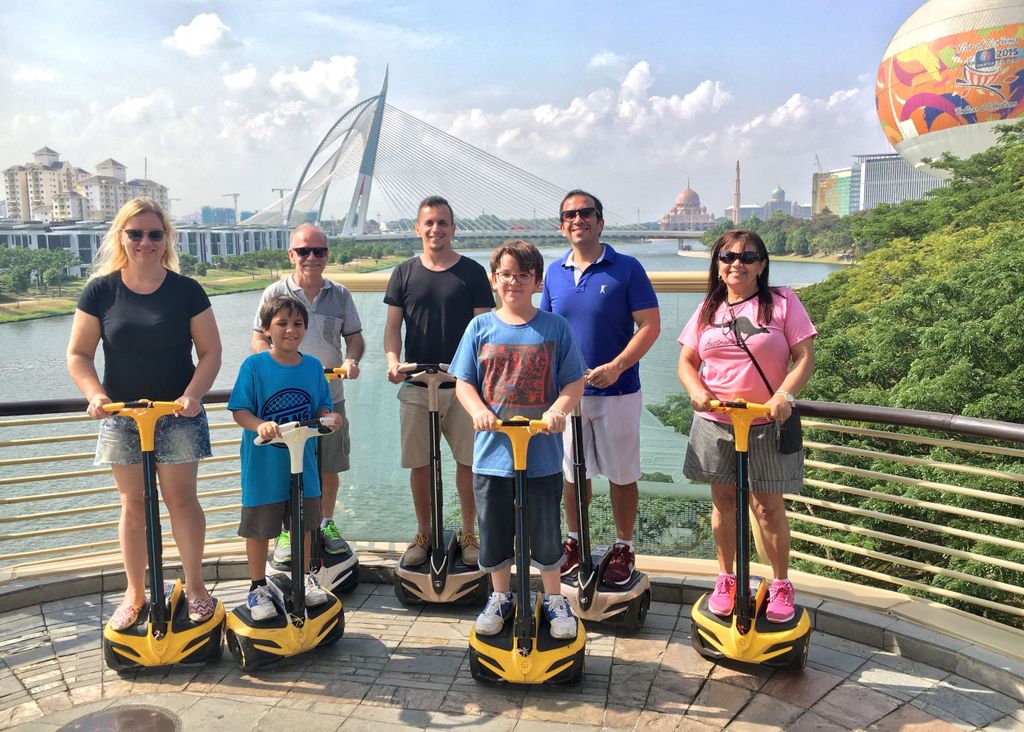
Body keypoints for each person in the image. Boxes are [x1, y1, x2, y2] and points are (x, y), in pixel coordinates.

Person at [66, 196, 222, 629]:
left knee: (181, 500)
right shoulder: (101, 290)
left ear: (165, 239)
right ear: (121, 237)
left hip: (177, 413)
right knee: (133, 504)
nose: (145, 242)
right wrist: (95, 394)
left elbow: (210, 353)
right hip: (123, 415)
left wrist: (194, 395)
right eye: (135, 233)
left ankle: (195, 587)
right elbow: (79, 354)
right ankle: (134, 592)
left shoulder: (186, 290)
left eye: (155, 234)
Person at [677, 229, 816, 623]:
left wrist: (783, 397)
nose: (736, 263)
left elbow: (804, 356)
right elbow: (687, 362)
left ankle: (781, 583)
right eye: (727, 256)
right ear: (717, 265)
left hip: (765, 421)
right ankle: (728, 578)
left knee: (767, 507)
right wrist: (696, 390)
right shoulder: (709, 308)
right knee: (723, 501)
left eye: (747, 256)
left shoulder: (782, 302)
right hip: (716, 420)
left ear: (762, 264)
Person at [449, 240, 586, 639]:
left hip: (541, 454)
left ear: (537, 282)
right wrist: (478, 411)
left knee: (544, 530)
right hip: (493, 455)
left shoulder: (554, 327)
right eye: (506, 274)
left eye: (523, 275)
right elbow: (464, 381)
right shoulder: (480, 327)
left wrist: (558, 409)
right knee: (493, 530)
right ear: (494, 279)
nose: (513, 282)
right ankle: (500, 595)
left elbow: (573, 380)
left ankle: (554, 597)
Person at [540, 189, 661, 585]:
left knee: (622, 474)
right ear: (562, 226)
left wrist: (618, 365)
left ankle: (623, 546)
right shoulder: (553, 273)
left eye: (586, 213)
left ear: (600, 221)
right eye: (570, 215)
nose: (579, 219)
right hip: (569, 395)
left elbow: (649, 325)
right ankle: (574, 541)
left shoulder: (626, 269)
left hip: (619, 390)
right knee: (573, 475)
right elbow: (544, 329)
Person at [383, 196, 494, 567]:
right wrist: (393, 361)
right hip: (417, 385)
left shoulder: (473, 274)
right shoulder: (403, 273)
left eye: (443, 223)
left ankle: (468, 533)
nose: (436, 229)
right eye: (429, 223)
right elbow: (392, 329)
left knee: (468, 464)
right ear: (418, 228)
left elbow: (485, 332)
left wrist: (475, 373)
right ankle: (424, 533)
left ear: (453, 228)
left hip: (462, 387)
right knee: (420, 464)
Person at [251, 223, 364, 565]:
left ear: (328, 254)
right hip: (286, 400)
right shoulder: (274, 293)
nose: (311, 258)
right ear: (291, 254)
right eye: (304, 251)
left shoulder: (340, 294)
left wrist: (351, 359)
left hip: (328, 394)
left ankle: (325, 523)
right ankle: (289, 529)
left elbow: (354, 338)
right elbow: (259, 339)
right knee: (290, 465)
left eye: (319, 251)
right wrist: (271, 371)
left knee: (328, 465)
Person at [229, 296, 342, 620]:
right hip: (264, 469)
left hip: (302, 466)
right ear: (266, 330)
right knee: (259, 529)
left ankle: (304, 578)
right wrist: (259, 425)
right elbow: (240, 410)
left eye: (297, 324)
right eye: (282, 324)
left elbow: (322, 406)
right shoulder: (255, 366)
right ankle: (257, 587)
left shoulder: (311, 367)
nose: (290, 330)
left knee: (304, 526)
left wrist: (328, 418)